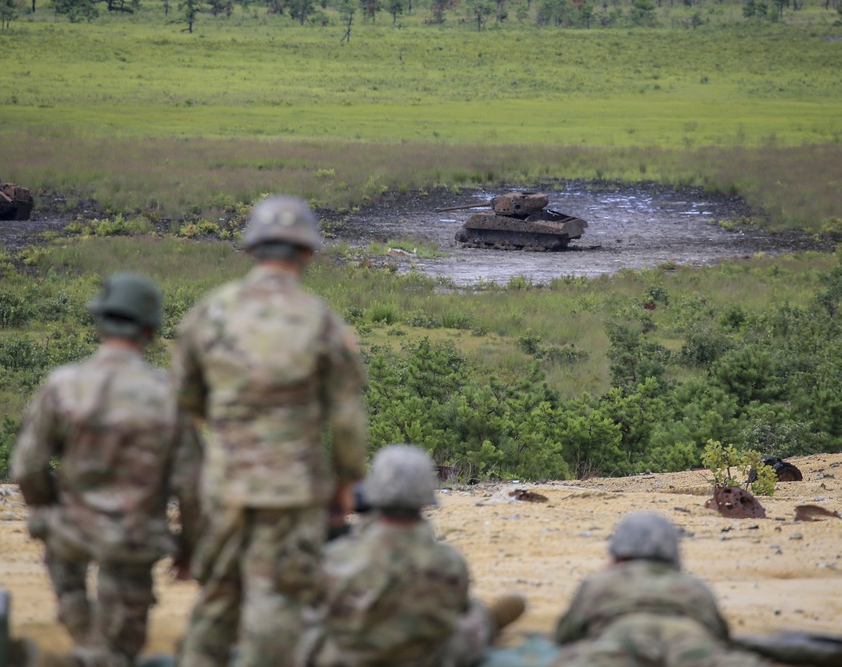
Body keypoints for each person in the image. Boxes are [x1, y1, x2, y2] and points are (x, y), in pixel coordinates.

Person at [174, 195, 369, 667]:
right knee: (278, 603)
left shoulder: (211, 311)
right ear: (306, 253)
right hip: (293, 488)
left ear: (254, 250)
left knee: (217, 598)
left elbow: (186, 399)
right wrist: (346, 482)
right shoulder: (320, 320)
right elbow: (345, 415)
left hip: (223, 483)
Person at [11, 272, 202, 667]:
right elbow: (192, 487)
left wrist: (49, 510)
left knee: (87, 630)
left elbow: (27, 466)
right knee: (120, 648)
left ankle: (85, 646)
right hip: (134, 538)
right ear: (149, 331)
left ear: (99, 323)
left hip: (69, 533)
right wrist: (189, 547)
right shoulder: (168, 395)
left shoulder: (63, 385)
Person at [299, 444, 526, 667]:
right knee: (468, 625)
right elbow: (455, 608)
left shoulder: (338, 556)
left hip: (348, 659)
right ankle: (486, 619)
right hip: (426, 659)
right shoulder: (448, 561)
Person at [551, 512, 767, 667]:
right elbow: (721, 636)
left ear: (617, 551)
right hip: (691, 643)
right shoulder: (694, 587)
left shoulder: (600, 583)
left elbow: (566, 635)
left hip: (621, 640)